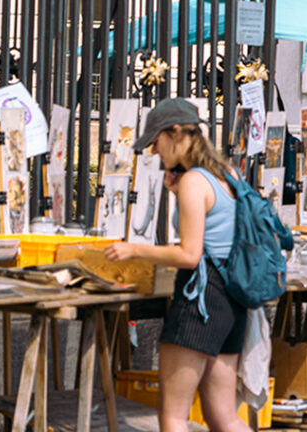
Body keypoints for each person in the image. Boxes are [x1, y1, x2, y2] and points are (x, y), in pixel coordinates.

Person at [104, 99, 249, 432]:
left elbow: (190, 254)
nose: (155, 151)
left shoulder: (194, 182)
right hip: (233, 298)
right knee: (223, 416)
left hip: (201, 295)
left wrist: (134, 250)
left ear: (176, 133)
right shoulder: (228, 174)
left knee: (173, 415)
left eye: (157, 142)